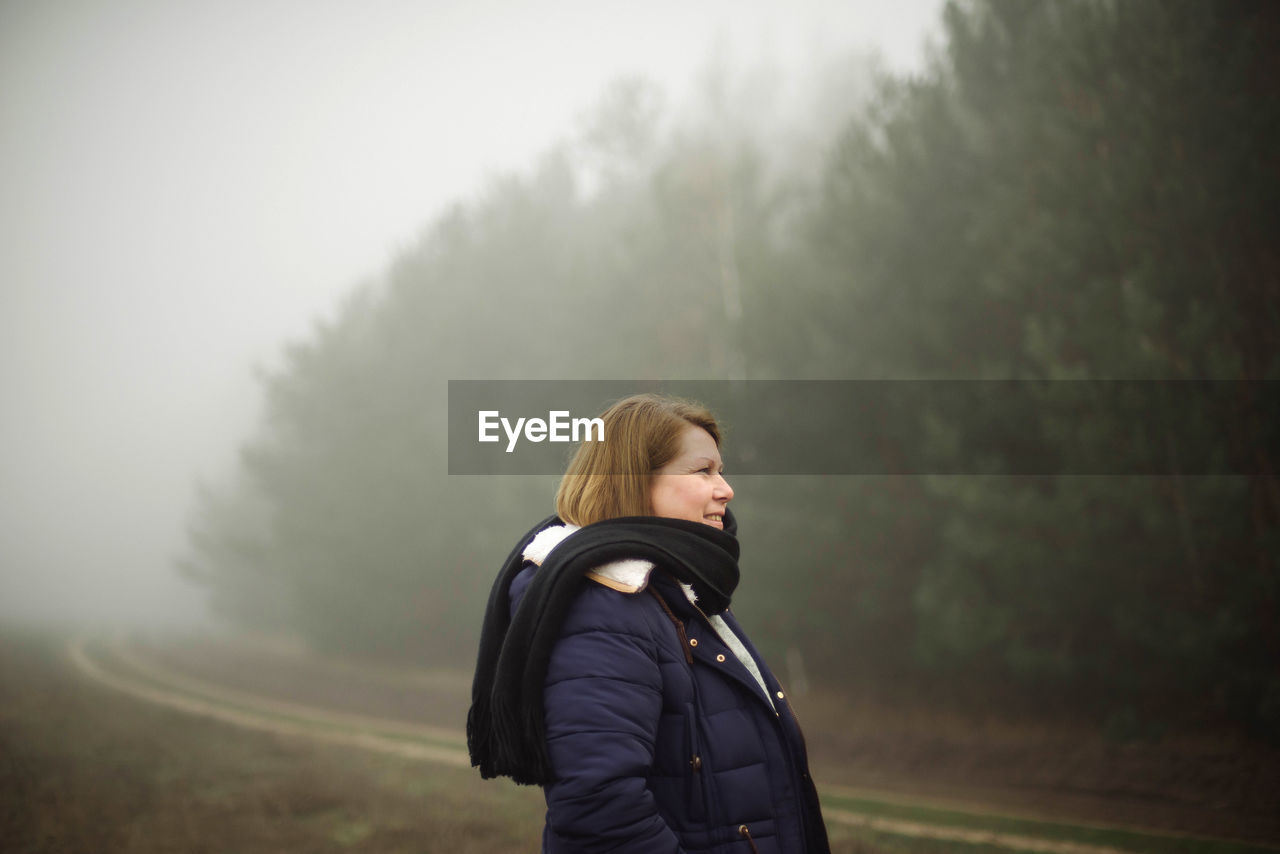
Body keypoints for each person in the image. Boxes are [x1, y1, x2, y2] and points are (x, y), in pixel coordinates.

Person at [468, 394, 831, 854]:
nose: (726, 489)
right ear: (636, 481)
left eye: (720, 470)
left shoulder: (675, 591)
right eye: (703, 471)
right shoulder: (601, 602)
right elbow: (600, 810)